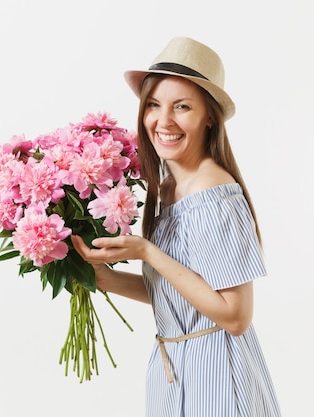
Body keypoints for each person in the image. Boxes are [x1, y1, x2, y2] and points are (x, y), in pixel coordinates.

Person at [71, 37, 281, 417]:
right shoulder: (166, 189)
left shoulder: (213, 190)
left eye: (181, 106)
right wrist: (101, 278)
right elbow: (183, 292)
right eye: (153, 105)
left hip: (217, 373)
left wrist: (147, 252)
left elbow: (235, 316)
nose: (163, 121)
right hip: (173, 371)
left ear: (209, 115)